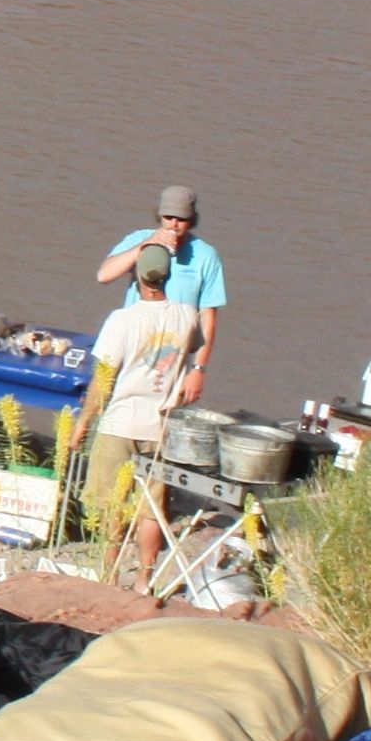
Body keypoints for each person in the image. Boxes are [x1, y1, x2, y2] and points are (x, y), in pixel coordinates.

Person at [70, 240, 201, 586]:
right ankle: (145, 579)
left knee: (110, 504)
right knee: (153, 509)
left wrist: (82, 423)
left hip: (119, 423)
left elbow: (103, 379)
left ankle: (109, 577)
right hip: (160, 427)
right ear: (168, 276)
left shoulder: (122, 320)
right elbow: (197, 349)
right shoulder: (188, 316)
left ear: (138, 276)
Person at [95, 183, 224, 406]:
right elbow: (104, 275)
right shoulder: (140, 239)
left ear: (191, 220)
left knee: (161, 418)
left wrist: (198, 369)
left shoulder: (206, 255)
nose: (173, 224)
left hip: (173, 354)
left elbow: (208, 319)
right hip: (134, 345)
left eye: (181, 219)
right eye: (168, 217)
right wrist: (147, 245)